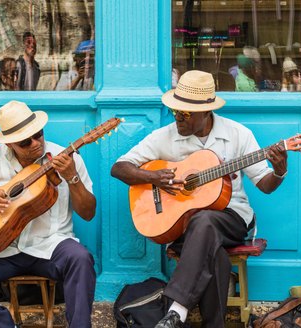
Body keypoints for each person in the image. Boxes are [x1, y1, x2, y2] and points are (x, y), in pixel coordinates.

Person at [111, 70, 287, 328]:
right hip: (184, 226)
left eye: (184, 113)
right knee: (216, 257)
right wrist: (154, 178)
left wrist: (280, 171)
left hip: (232, 217)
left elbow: (264, 185)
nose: (177, 117)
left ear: (206, 112)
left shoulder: (238, 134)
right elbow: (119, 168)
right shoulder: (165, 136)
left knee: (205, 220)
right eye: (175, 111)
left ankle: (176, 311)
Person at [0, 100, 97, 328]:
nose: (36, 144)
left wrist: (72, 177)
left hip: (51, 246)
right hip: (3, 249)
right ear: (10, 144)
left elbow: (88, 213)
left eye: (39, 135)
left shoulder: (65, 159)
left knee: (81, 259)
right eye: (26, 142)